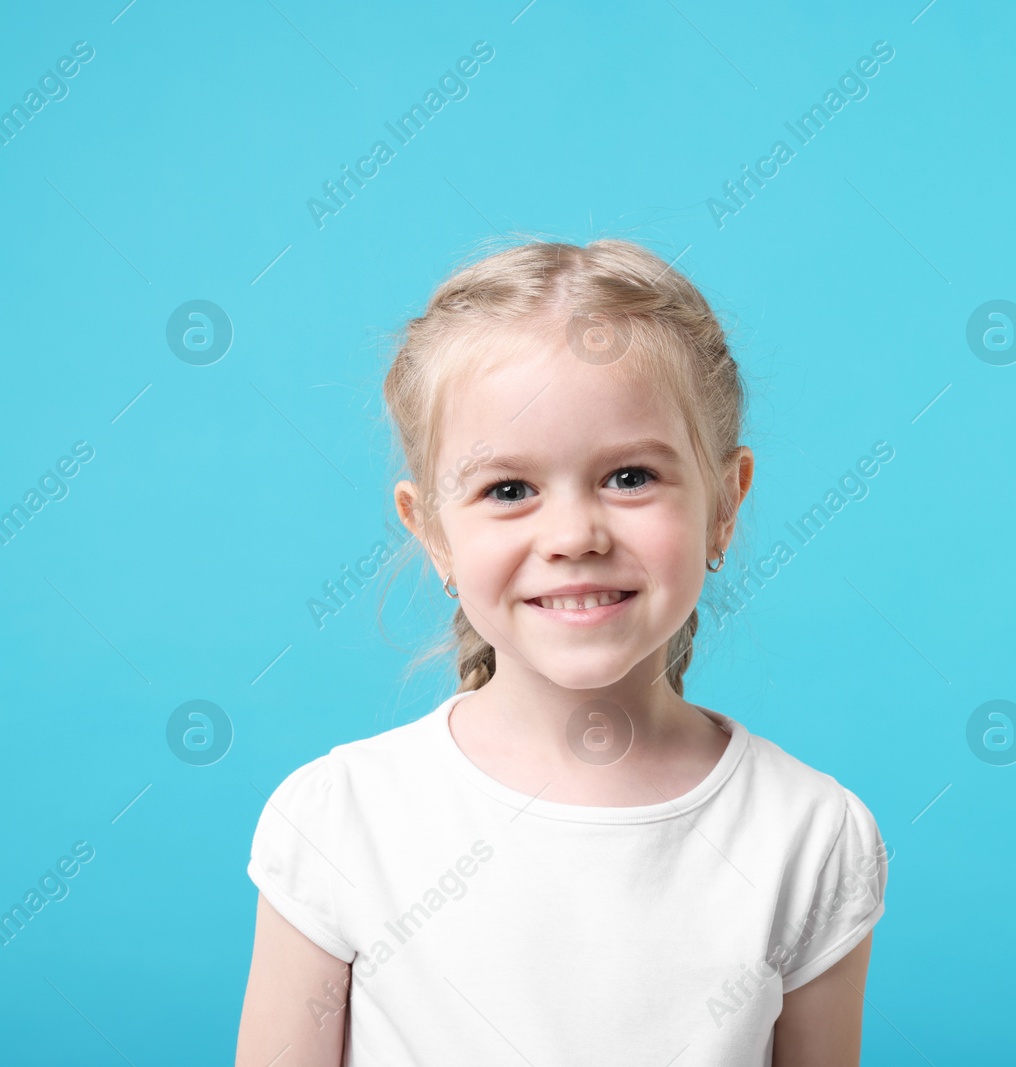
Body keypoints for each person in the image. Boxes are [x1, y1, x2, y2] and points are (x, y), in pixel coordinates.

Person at [234, 238, 889, 1066]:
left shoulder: (808, 834)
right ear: (432, 530)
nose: (575, 535)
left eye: (630, 476)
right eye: (509, 490)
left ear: (726, 503)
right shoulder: (338, 821)